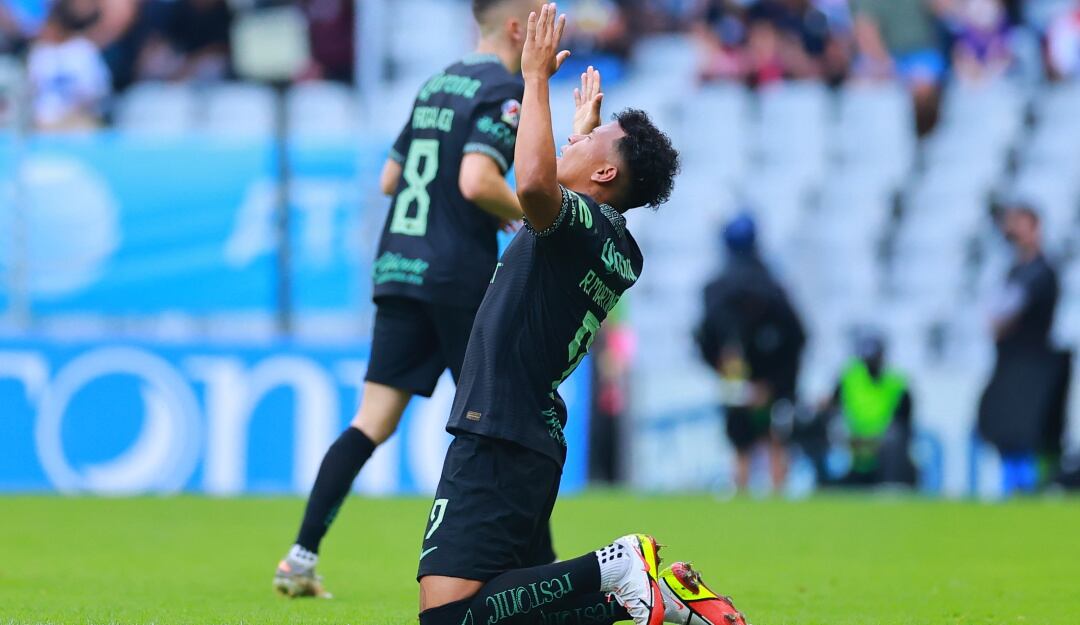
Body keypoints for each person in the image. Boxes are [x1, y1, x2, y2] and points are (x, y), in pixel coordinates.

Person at [415, 5, 746, 625]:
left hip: (502, 429)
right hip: (525, 433)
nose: (576, 138)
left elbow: (537, 185)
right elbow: (559, 187)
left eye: (589, 141)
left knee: (446, 619)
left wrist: (534, 76)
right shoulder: (612, 242)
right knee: (510, 613)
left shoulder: (577, 223)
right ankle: (652, 600)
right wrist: (579, 134)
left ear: (603, 172)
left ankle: (614, 568)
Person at [273, 0, 535, 598]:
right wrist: (533, 213)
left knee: (371, 422)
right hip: (455, 275)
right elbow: (476, 179)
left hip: (399, 265)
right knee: (502, 420)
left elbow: (392, 179)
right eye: (542, 19)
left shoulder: (436, 83)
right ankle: (519, 572)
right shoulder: (504, 88)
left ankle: (300, 556)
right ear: (517, 27)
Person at [696, 213, 806, 493]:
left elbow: (703, 338)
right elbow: (799, 338)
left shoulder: (718, 288)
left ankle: (749, 492)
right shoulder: (772, 285)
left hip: (755, 377)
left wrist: (768, 385)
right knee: (763, 440)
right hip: (756, 378)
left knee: (754, 441)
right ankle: (764, 494)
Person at [977, 203, 1070, 495]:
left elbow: (1004, 313)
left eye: (1019, 224)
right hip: (1012, 361)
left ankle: (1035, 486)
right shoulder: (1014, 269)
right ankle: (1015, 485)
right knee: (1006, 430)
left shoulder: (1040, 271)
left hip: (1031, 364)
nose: (1012, 231)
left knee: (1031, 431)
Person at [818, 331, 917, 487]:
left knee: (895, 437)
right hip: (852, 439)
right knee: (828, 430)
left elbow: (906, 422)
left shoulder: (896, 382)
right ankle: (824, 483)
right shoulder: (849, 377)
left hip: (882, 443)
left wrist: (872, 440)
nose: (871, 364)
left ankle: (890, 485)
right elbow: (832, 407)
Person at [851, 0, 946, 135]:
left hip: (922, 53)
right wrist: (887, 65)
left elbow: (944, 8)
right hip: (888, 58)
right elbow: (865, 30)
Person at [26, 0, 112, 131]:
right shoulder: (40, 53)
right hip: (42, 123)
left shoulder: (83, 50)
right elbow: (31, 91)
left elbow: (96, 93)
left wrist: (68, 116)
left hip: (77, 119)